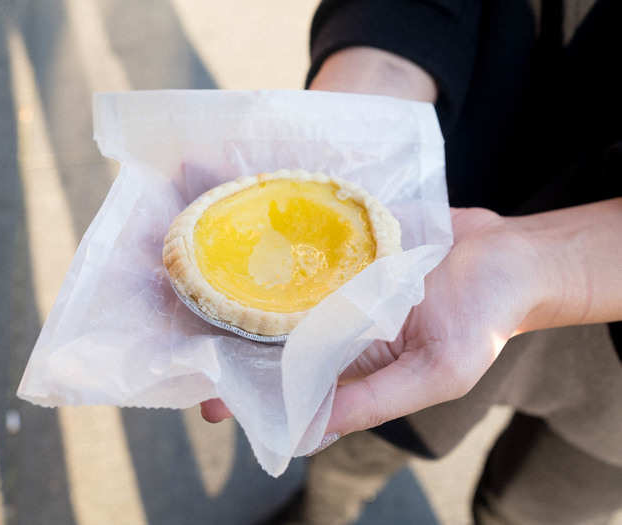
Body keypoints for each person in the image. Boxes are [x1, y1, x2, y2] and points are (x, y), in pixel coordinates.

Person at [202, 1, 622, 523]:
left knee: (533, 508)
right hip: (432, 255)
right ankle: (322, 511)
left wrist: (554, 264)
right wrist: (376, 84)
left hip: (611, 390)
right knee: (357, 444)